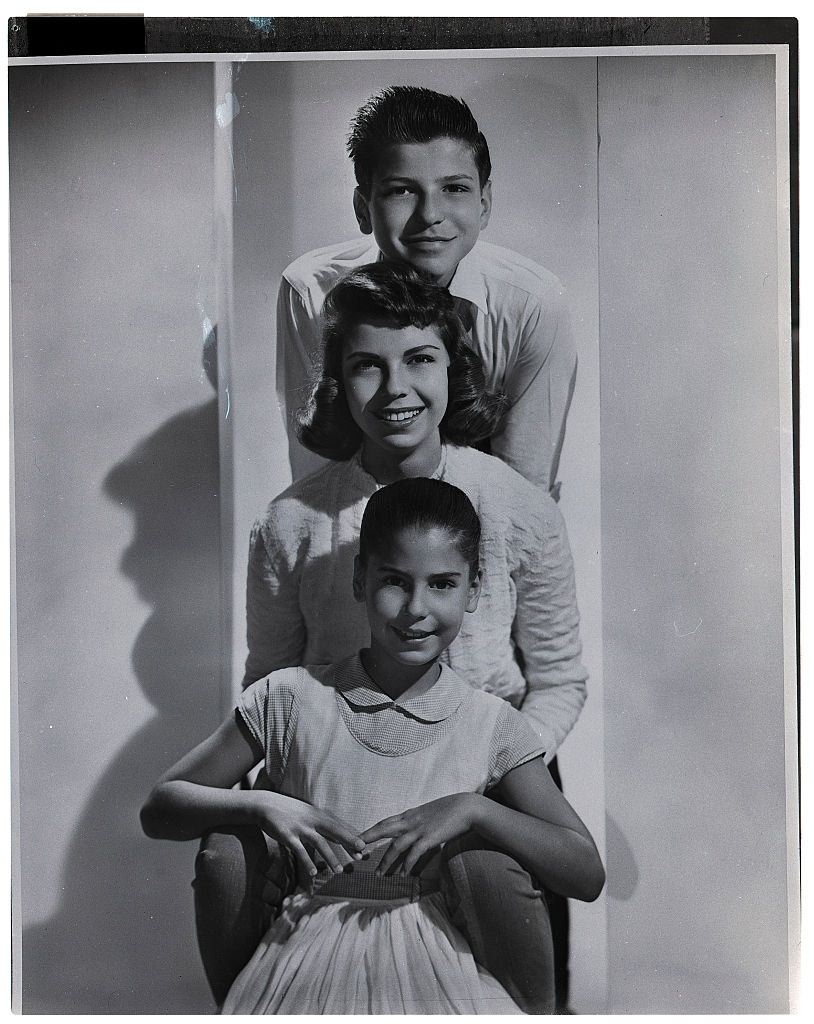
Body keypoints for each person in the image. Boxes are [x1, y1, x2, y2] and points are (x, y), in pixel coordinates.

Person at [195, 262, 587, 1011]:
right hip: (338, 789)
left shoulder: (521, 509)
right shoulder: (291, 523)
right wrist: (298, 807)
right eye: (366, 367)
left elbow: (559, 677)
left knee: (487, 883)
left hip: (492, 779)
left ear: (454, 367)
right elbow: (270, 679)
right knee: (229, 865)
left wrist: (477, 775)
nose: (395, 389)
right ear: (337, 382)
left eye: (420, 360)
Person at [143, 479, 605, 1014]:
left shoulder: (492, 725)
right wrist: (262, 803)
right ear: (360, 579)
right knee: (225, 844)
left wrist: (474, 810)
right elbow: (160, 807)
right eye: (394, 581)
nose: (416, 608)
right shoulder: (290, 697)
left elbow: (586, 873)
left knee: (487, 862)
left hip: (443, 970)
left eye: (442, 584)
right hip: (303, 962)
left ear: (474, 590)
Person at [276, 84, 577, 497]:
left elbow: (522, 490)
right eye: (401, 190)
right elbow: (321, 474)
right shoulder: (312, 291)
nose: (430, 216)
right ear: (364, 209)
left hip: (482, 522)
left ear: (484, 204)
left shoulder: (532, 304)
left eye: (454, 189)